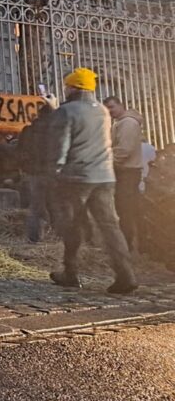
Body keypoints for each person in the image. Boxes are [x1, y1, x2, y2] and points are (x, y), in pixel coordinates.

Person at [48, 68, 137, 294]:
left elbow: (61, 147)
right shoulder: (102, 112)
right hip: (105, 176)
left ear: (72, 88)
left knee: (73, 224)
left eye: (67, 85)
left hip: (76, 177)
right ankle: (126, 275)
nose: (65, 89)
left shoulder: (66, 111)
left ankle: (70, 273)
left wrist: (55, 171)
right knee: (110, 226)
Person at [103, 96, 145, 252]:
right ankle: (128, 245)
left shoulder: (128, 123)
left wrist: (107, 161)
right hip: (125, 171)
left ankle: (126, 247)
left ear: (121, 105)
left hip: (127, 172)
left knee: (125, 210)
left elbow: (123, 150)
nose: (110, 111)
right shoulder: (120, 123)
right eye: (107, 109)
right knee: (125, 209)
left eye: (112, 107)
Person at [17, 94, 60, 242]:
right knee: (56, 205)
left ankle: (33, 239)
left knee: (35, 207)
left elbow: (20, 150)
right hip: (53, 172)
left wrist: (25, 168)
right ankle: (58, 236)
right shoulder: (57, 129)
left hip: (34, 173)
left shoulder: (28, 130)